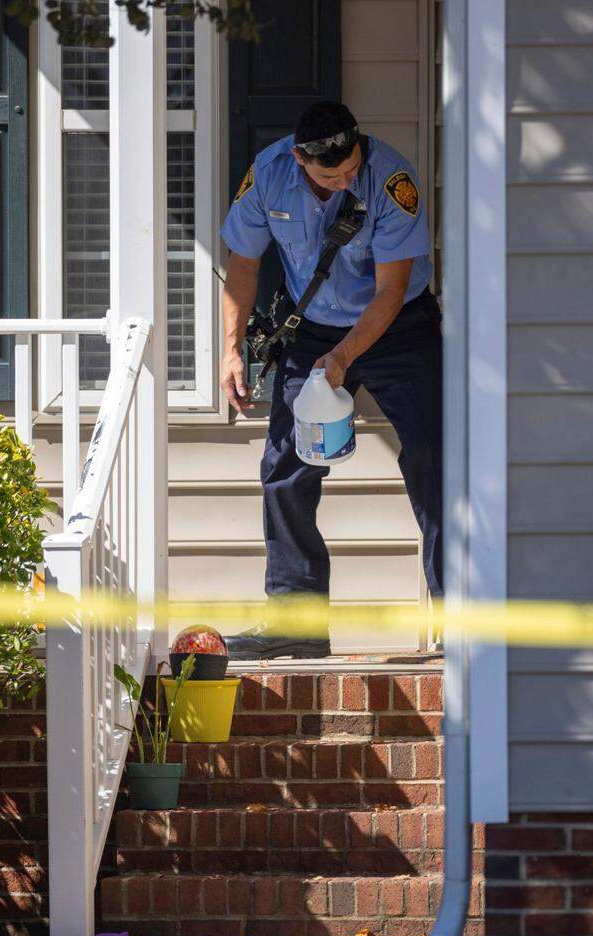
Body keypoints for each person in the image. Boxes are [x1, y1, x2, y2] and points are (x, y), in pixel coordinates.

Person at [219, 101, 442, 659]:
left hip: (399, 327)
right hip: (312, 325)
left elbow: (391, 292)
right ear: (299, 160)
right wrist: (230, 350)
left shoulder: (392, 181)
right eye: (329, 175)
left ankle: (458, 616)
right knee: (285, 466)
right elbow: (242, 263)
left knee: (435, 462)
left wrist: (343, 359)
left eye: (350, 169)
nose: (345, 180)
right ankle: (296, 621)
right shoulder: (268, 176)